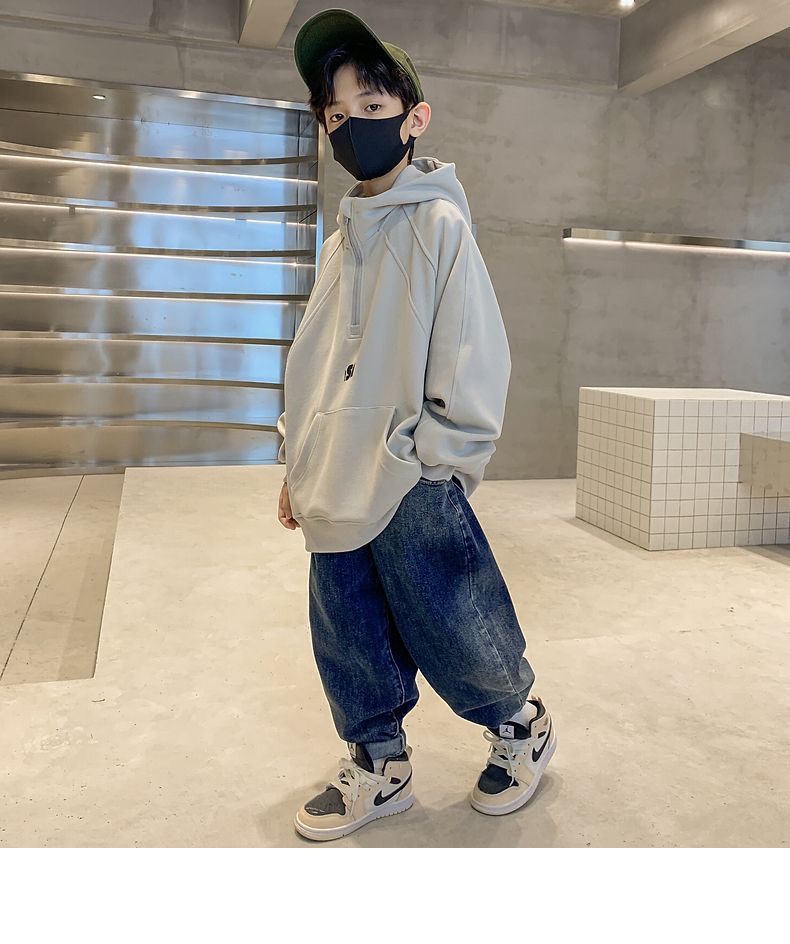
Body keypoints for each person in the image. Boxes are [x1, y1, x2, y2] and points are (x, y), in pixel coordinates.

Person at [277, 7, 556, 842]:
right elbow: (315, 355)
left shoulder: (439, 225)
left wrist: (436, 459)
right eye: (336, 114)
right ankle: (379, 765)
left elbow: (474, 354)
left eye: (371, 108)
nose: (352, 126)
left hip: (410, 471)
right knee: (347, 628)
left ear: (413, 117)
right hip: (335, 469)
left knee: (454, 618)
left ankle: (520, 725)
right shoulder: (341, 241)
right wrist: (298, 457)